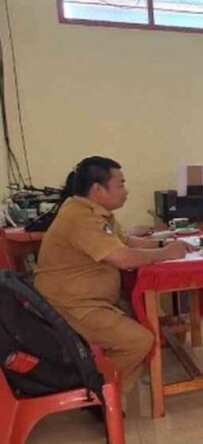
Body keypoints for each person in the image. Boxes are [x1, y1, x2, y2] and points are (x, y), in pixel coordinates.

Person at [34, 158, 194, 390]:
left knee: (146, 323)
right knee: (139, 341)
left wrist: (163, 244)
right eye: (120, 185)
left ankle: (114, 394)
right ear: (98, 189)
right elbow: (123, 257)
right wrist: (166, 253)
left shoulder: (94, 211)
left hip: (90, 301)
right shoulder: (80, 217)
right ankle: (97, 393)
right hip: (71, 306)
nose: (126, 191)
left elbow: (125, 242)